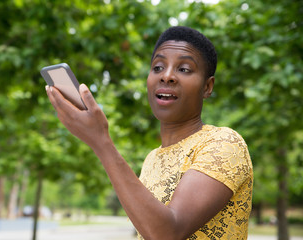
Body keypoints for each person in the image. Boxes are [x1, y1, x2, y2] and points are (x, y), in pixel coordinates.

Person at [45, 26, 253, 240]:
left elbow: (167, 233)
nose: (167, 76)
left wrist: (101, 142)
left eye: (184, 69)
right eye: (158, 67)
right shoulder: (151, 159)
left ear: (207, 87)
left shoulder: (225, 144)